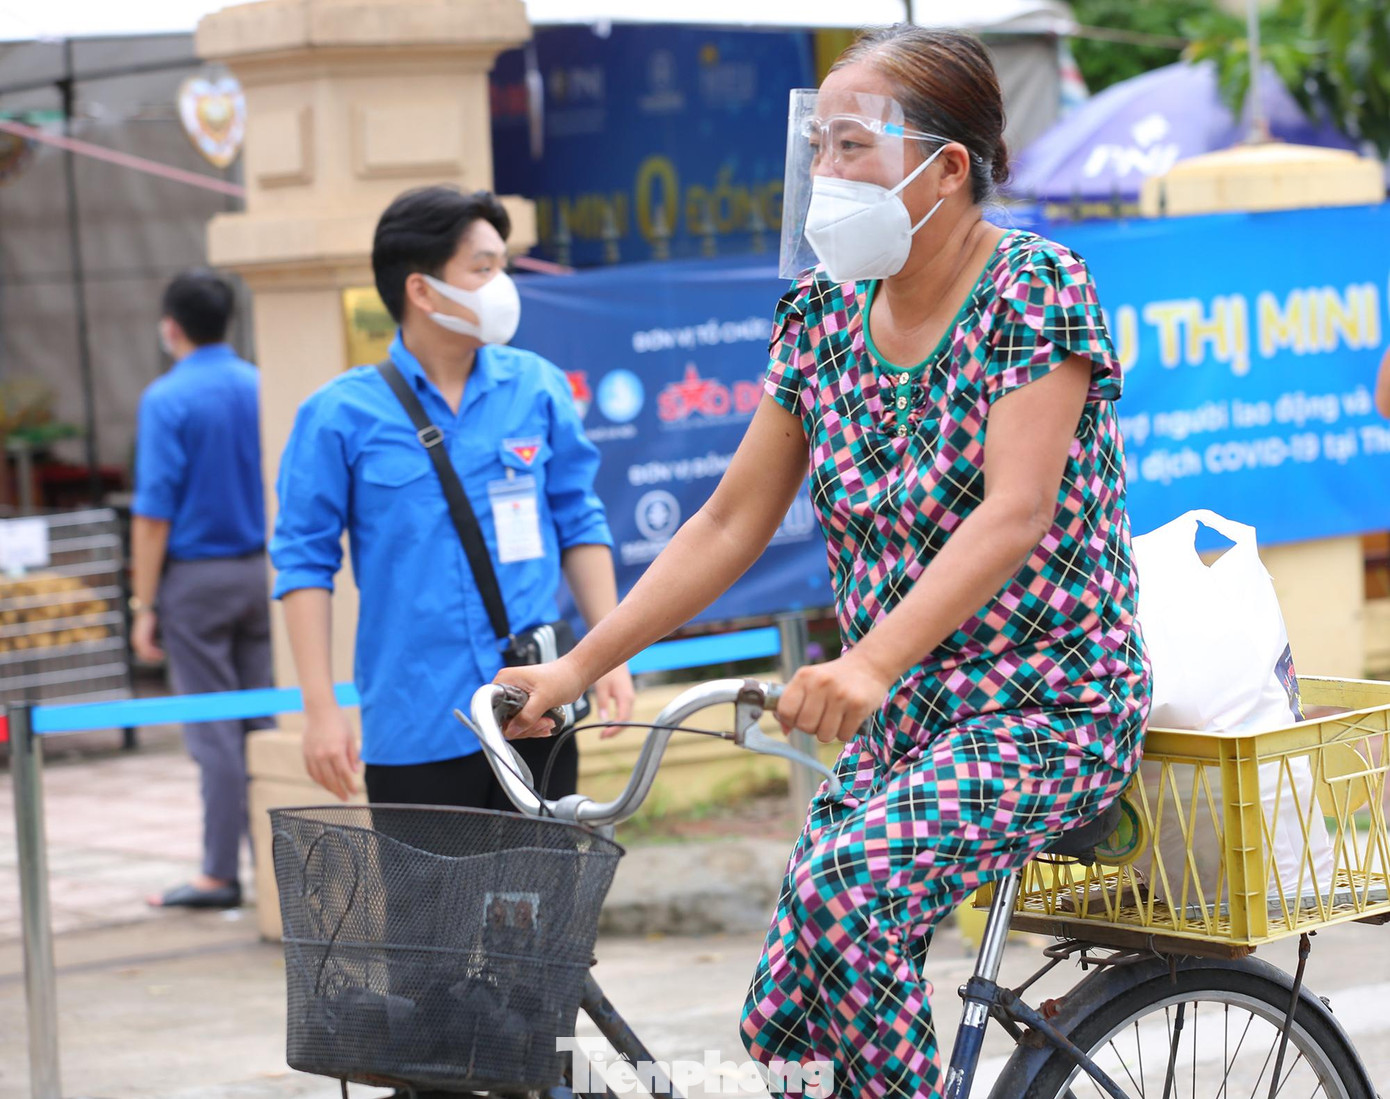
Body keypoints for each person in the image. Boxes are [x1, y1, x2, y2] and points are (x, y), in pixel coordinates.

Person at [497, 26, 1151, 1099]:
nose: (826, 173)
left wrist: (867, 663)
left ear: (946, 169)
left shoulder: (1034, 285)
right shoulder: (822, 317)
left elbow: (1014, 513)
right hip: (905, 720)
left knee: (853, 893)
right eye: (821, 148)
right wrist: (575, 670)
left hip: (1048, 706)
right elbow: (723, 526)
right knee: (784, 1015)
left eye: (853, 147)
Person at [271, 185, 633, 811]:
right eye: (483, 267)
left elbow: (580, 521)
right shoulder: (338, 415)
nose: (502, 284)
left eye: (503, 266)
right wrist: (321, 710)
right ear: (422, 289)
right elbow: (303, 563)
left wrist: (610, 656)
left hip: (535, 710)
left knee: (545, 907)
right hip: (414, 725)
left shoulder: (536, 387)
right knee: (434, 912)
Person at [133, 268, 271, 911]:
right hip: (260, 572)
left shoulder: (167, 399)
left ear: (171, 327)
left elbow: (154, 511)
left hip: (197, 580)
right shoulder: (259, 384)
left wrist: (143, 603)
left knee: (213, 732)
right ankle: (278, 871)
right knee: (263, 722)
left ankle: (219, 874)